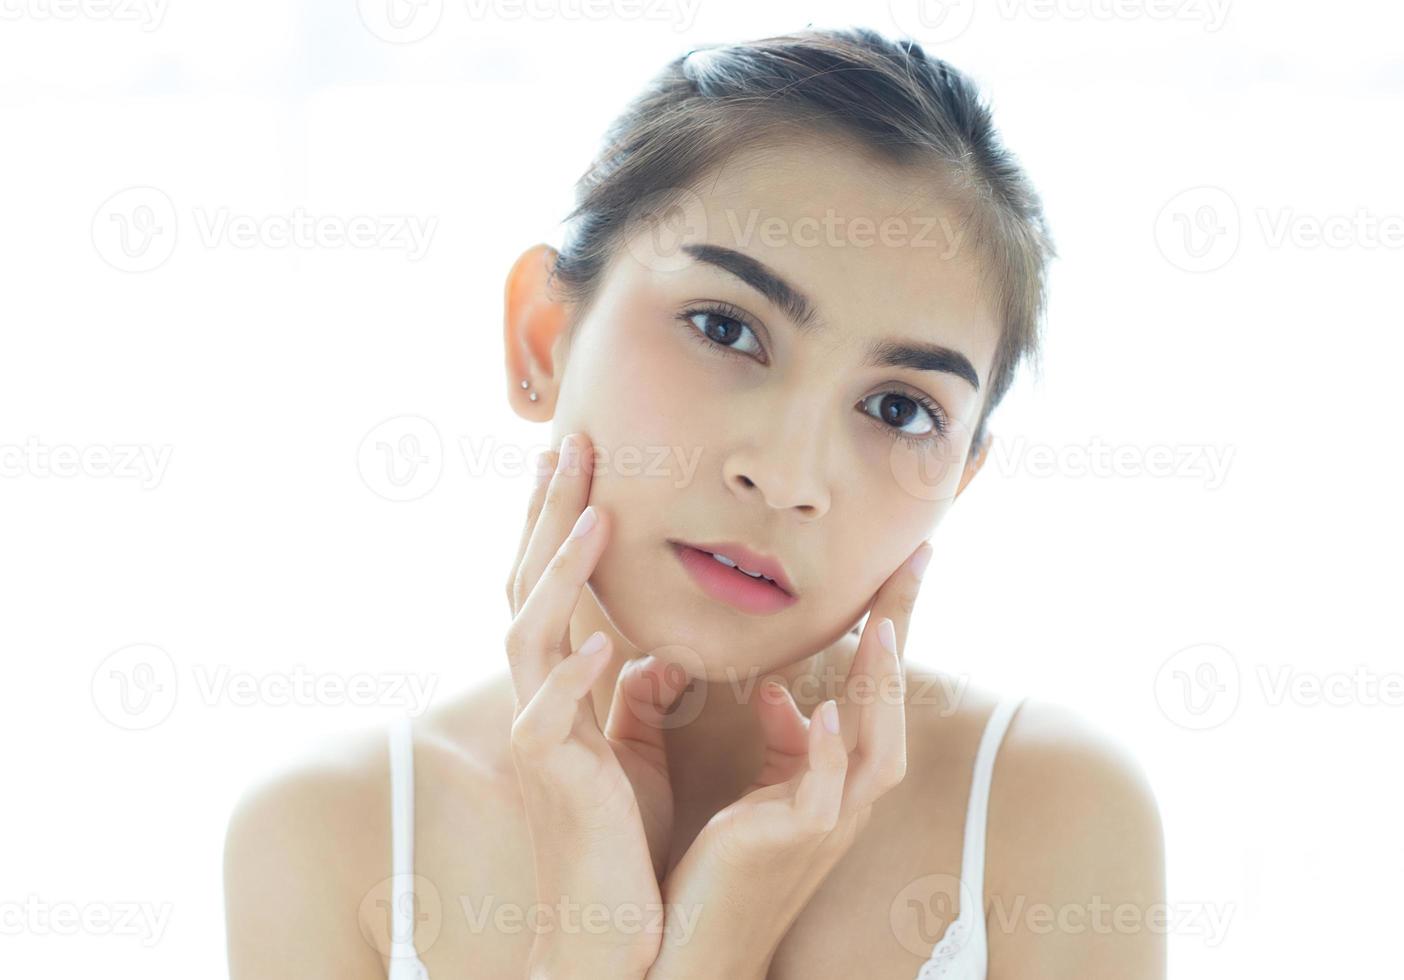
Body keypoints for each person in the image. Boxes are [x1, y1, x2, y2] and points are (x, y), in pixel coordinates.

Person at [225, 26, 1165, 979]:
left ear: (959, 479)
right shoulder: (329, 836)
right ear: (542, 337)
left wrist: (718, 949)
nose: (789, 476)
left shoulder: (1048, 814)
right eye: (725, 327)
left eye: (899, 409)